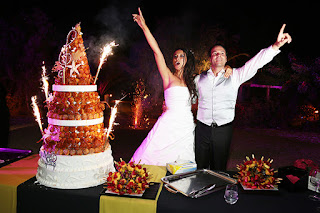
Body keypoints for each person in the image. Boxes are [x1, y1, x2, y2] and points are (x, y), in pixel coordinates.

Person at [130, 8, 232, 166]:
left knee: (184, 165)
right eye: (175, 56)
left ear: (187, 60)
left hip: (185, 127)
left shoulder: (195, 80)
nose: (177, 58)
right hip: (167, 125)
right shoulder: (168, 76)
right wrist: (144, 27)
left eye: (181, 56)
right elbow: (157, 52)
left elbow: (213, 76)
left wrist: (227, 68)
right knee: (151, 159)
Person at [195, 24, 292, 171]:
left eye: (222, 53)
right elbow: (189, 96)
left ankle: (218, 192)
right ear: (210, 58)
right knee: (200, 166)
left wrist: (275, 46)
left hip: (223, 130)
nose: (218, 55)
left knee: (219, 168)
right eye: (215, 53)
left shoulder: (235, 75)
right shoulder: (199, 79)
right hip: (202, 128)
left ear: (226, 58)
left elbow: (255, 63)